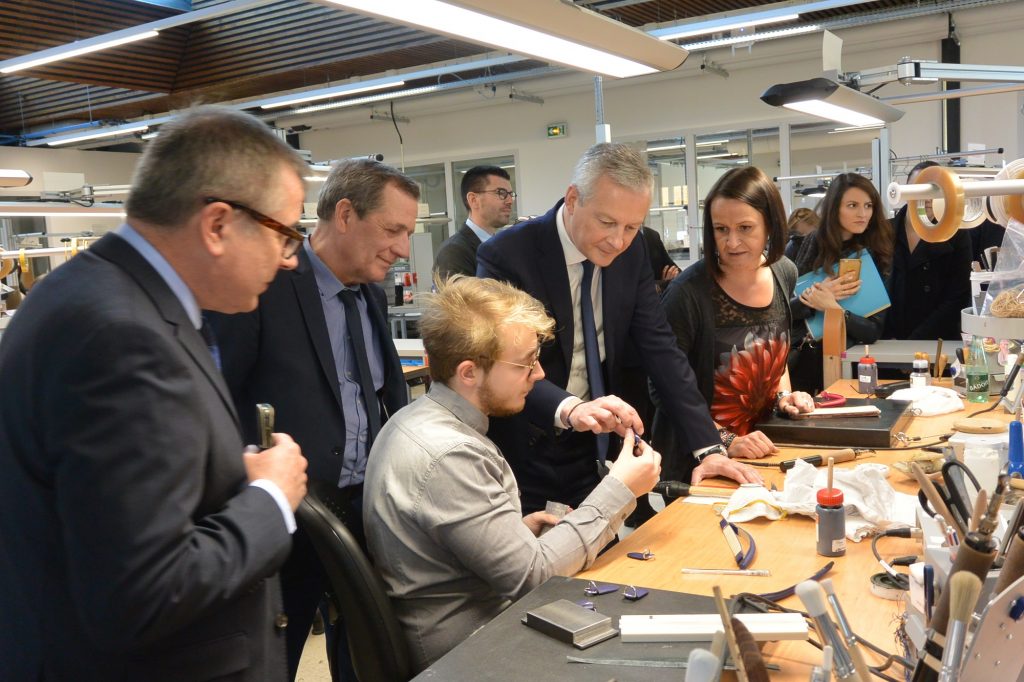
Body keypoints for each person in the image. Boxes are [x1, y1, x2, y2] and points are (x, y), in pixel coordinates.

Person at [0, 106, 309, 680]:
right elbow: (141, 594)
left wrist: (219, 478)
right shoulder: (122, 337)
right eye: (285, 234)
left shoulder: (100, 296)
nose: (291, 260)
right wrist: (269, 498)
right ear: (217, 224)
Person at [363, 276, 661, 671]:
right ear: (469, 372)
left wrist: (511, 531)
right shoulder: (451, 455)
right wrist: (621, 488)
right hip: (472, 652)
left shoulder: (416, 420)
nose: (538, 375)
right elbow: (534, 577)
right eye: (524, 364)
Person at [207, 158, 418, 679]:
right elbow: (216, 399)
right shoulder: (265, 285)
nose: (403, 248)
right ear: (345, 214)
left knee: (366, 651)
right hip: (287, 522)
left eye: (409, 233)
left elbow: (380, 394)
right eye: (393, 229)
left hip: (363, 511)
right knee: (276, 656)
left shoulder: (369, 292)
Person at [477, 142, 761, 515]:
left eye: (632, 226)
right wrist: (570, 409)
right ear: (574, 199)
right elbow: (498, 362)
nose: (618, 240)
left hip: (592, 445)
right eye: (607, 222)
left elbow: (660, 347)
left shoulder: (633, 250)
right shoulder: (508, 255)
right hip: (525, 444)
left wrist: (708, 448)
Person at [654, 167, 814, 481]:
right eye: (721, 229)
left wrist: (784, 397)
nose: (732, 242)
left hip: (766, 450)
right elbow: (664, 389)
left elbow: (773, 351)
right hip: (701, 461)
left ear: (770, 226)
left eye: (745, 227)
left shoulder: (785, 272)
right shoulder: (687, 293)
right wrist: (726, 441)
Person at [789, 172, 894, 392]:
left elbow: (874, 330)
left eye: (868, 206)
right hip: (804, 362)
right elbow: (785, 313)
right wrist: (814, 296)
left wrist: (832, 308)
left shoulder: (877, 252)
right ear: (834, 207)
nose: (862, 214)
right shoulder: (807, 244)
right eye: (853, 205)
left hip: (852, 366)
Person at [884, 160, 972, 341]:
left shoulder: (956, 235)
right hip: (886, 343)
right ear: (906, 191)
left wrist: (914, 343)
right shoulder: (883, 233)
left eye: (936, 191)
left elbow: (957, 298)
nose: (928, 198)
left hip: (935, 344)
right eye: (920, 189)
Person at [434, 165, 514, 279]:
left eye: (511, 194)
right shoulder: (454, 252)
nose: (510, 201)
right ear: (473, 200)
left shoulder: (502, 247)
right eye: (501, 193)